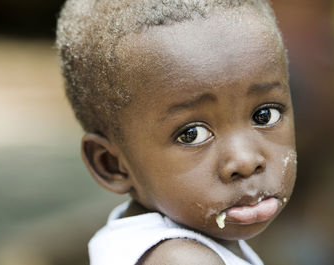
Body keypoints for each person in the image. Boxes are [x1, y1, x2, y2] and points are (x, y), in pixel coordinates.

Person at [56, 0, 297, 264]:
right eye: (191, 134)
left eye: (265, 115)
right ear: (112, 164)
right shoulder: (181, 259)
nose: (245, 161)